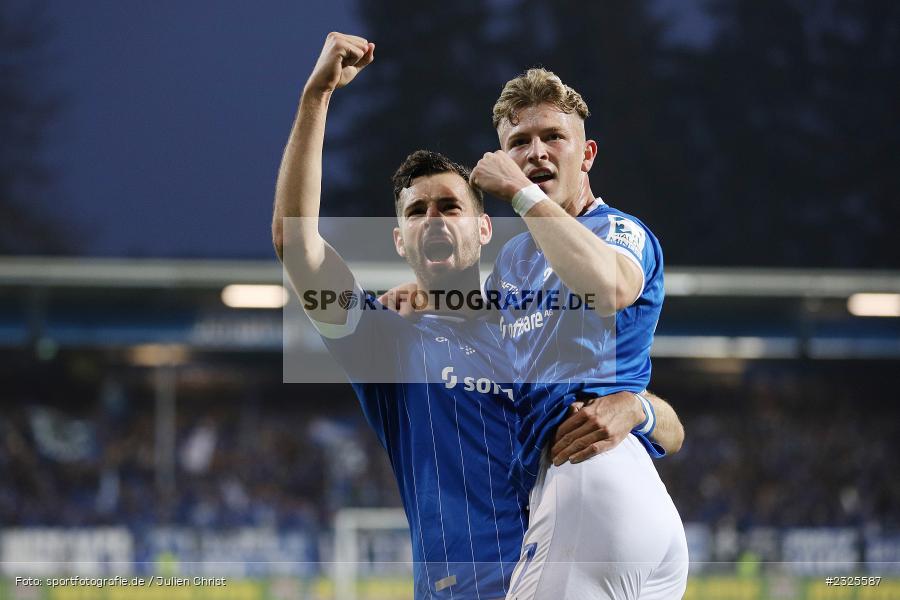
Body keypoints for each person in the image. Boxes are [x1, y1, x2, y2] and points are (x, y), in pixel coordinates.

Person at [273, 34, 684, 599]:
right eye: (417, 212)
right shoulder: (384, 341)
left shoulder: (534, 323)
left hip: (571, 558)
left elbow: (670, 428)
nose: (434, 219)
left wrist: (635, 406)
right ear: (399, 240)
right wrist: (316, 96)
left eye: (450, 207)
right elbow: (297, 248)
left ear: (486, 227)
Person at [470, 69, 689, 599]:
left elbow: (611, 285)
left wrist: (521, 194)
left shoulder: (618, 231)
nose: (536, 152)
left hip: (590, 478)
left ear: (587, 155)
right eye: (518, 143)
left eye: (553, 137)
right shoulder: (512, 263)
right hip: (599, 493)